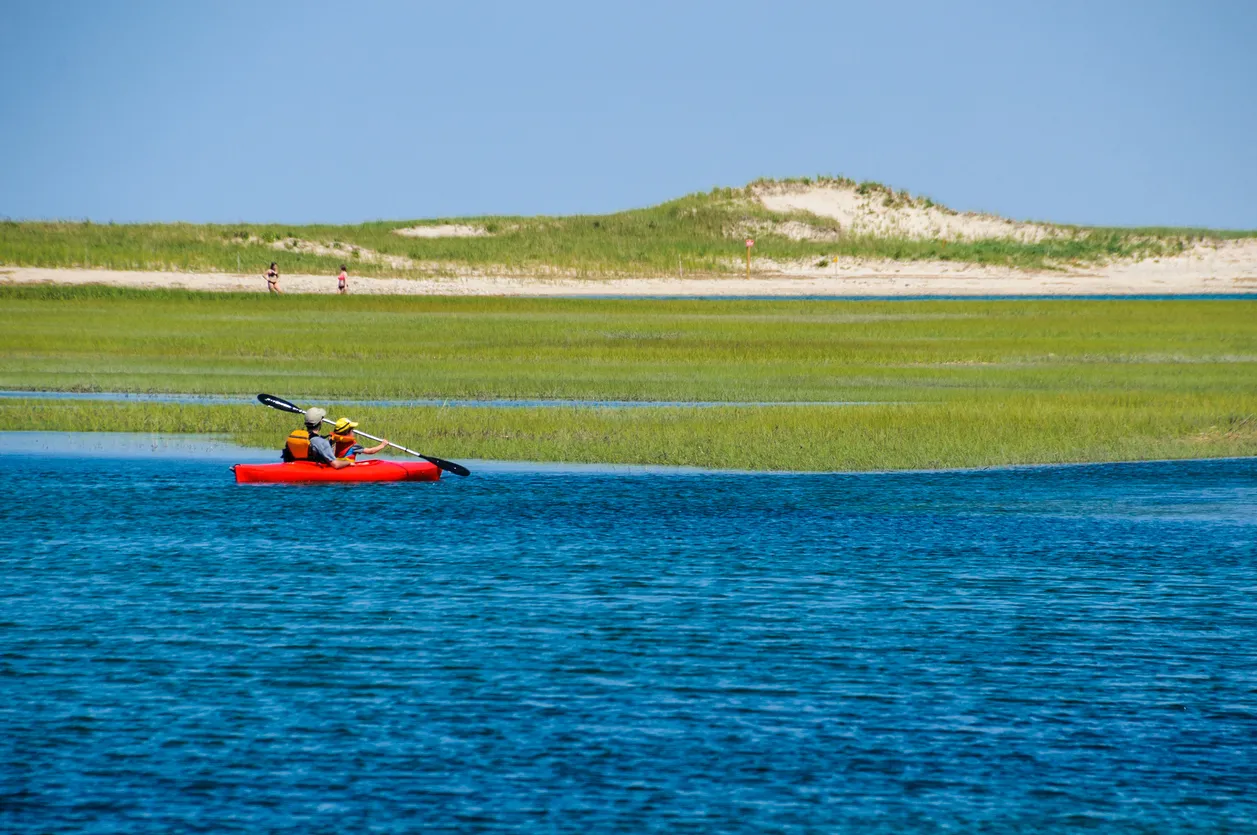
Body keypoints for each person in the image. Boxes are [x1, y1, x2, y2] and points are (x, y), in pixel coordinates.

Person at [281, 406, 354, 468]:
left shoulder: (295, 436)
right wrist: (348, 462)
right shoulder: (321, 442)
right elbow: (336, 465)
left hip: (294, 468)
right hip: (312, 473)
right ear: (320, 422)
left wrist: (331, 444)